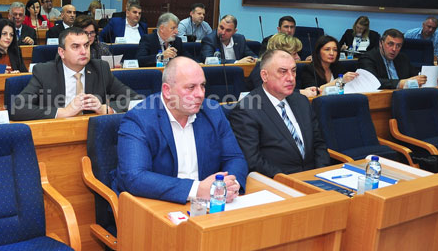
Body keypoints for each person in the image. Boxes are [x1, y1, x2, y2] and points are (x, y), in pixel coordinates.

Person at [112, 56, 246, 203]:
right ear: (167, 91)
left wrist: (229, 186)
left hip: (208, 203)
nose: (200, 94)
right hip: (156, 204)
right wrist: (197, 190)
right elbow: (134, 177)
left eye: (202, 85)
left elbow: (235, 158)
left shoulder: (213, 112)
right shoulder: (139, 119)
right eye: (191, 87)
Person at [228, 49, 331, 177]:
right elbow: (253, 161)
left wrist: (320, 174)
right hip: (278, 181)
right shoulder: (246, 110)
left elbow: (319, 144)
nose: (291, 78)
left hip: (315, 177)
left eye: (293, 71)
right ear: (264, 76)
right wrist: (290, 182)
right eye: (283, 72)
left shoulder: (302, 101)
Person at [9, 27, 137, 120]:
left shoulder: (100, 68)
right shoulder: (45, 72)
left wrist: (106, 109)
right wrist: (63, 112)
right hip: (57, 134)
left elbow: (135, 99)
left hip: (93, 133)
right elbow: (18, 107)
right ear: (61, 52)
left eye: (86, 45)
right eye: (76, 47)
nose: (84, 51)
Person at [358, 29, 436, 89]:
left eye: (398, 46)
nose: (394, 49)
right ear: (381, 43)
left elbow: (415, 75)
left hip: (404, 96)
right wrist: (400, 83)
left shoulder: (402, 57)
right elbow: (371, 81)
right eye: (390, 44)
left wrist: (433, 79)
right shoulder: (367, 58)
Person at [245, 33, 318, 98]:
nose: (298, 57)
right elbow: (267, 94)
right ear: (282, 53)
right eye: (294, 53)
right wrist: (300, 92)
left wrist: (309, 90)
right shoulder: (261, 68)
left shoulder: (292, 68)